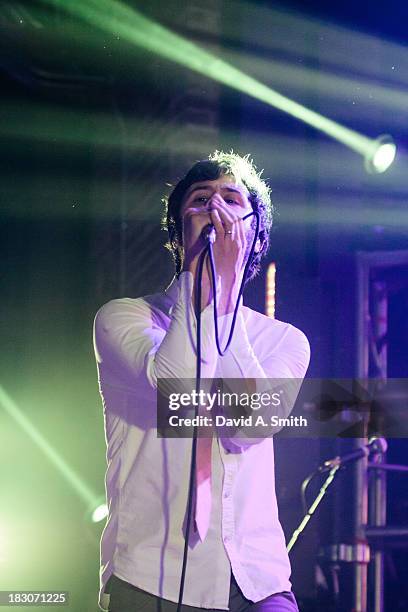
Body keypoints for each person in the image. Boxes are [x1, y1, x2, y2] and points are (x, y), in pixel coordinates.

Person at [93, 151, 310, 611]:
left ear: (255, 235)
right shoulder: (126, 318)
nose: (216, 211)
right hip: (153, 576)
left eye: (232, 199)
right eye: (201, 200)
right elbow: (175, 386)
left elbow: (246, 426)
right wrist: (203, 282)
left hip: (257, 581)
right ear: (176, 230)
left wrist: (225, 298)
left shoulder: (283, 341)